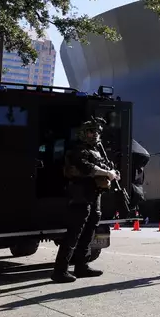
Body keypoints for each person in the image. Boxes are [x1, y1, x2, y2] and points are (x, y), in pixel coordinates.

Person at [51, 118, 120, 283]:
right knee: (74, 233)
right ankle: (60, 270)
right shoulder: (79, 150)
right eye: (91, 131)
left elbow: (107, 167)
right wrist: (106, 173)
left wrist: (113, 172)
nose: (94, 134)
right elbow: (85, 167)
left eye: (96, 131)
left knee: (89, 232)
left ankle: (82, 266)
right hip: (80, 195)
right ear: (83, 133)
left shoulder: (97, 151)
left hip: (94, 195)